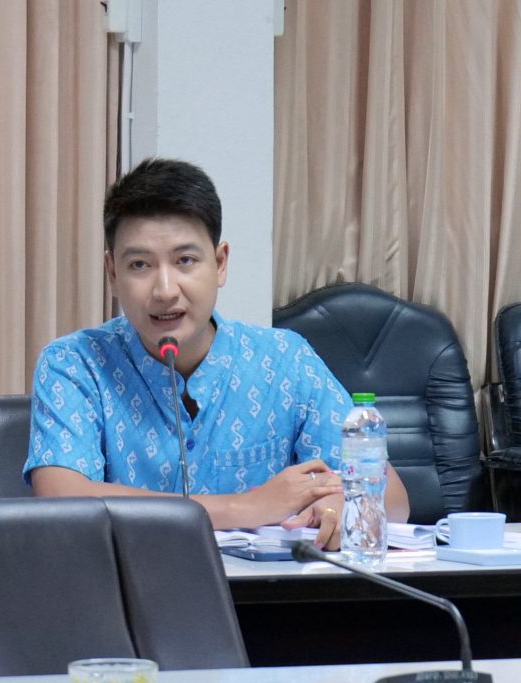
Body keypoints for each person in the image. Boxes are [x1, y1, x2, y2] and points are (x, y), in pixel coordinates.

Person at [24, 158, 409, 549]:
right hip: (126, 586)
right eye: (139, 265)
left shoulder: (285, 360)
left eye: (185, 261)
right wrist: (246, 507)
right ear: (112, 274)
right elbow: (61, 498)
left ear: (220, 263)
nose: (165, 290)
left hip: (267, 587)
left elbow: (394, 498)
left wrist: (343, 505)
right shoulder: (75, 363)